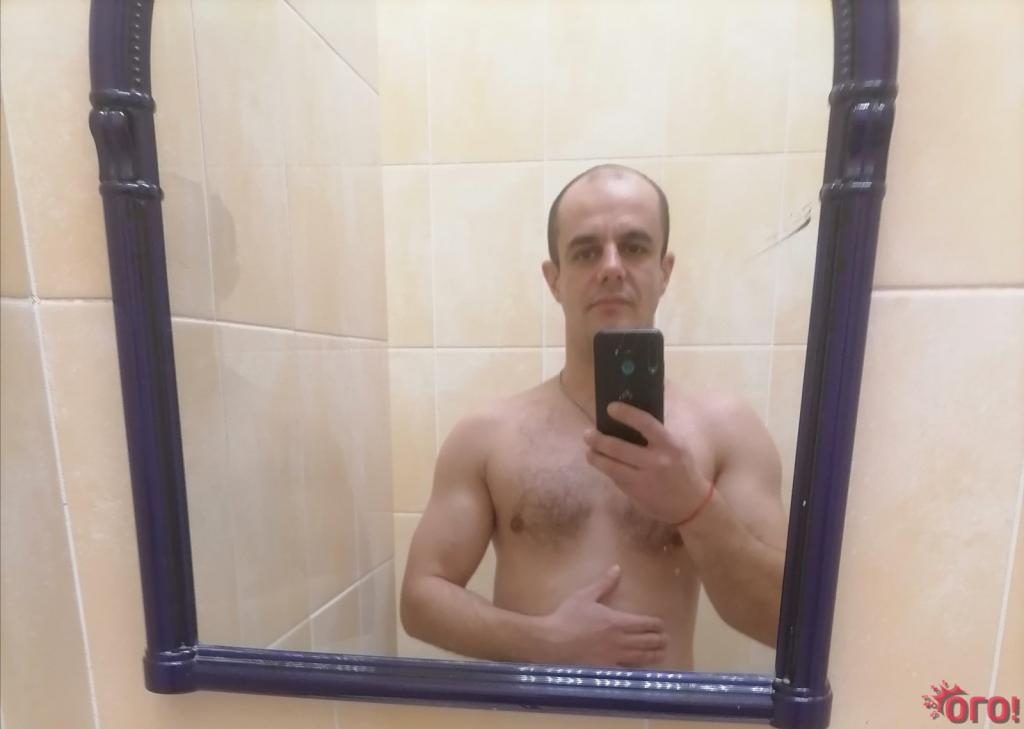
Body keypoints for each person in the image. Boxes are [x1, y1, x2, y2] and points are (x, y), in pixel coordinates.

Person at [400, 164, 787, 669]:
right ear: (554, 279)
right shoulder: (488, 436)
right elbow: (420, 599)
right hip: (536, 713)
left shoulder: (726, 431)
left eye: (634, 247)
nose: (611, 267)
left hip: (662, 714)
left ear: (664, 271)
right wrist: (543, 641)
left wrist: (694, 505)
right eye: (586, 252)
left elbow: (783, 620)